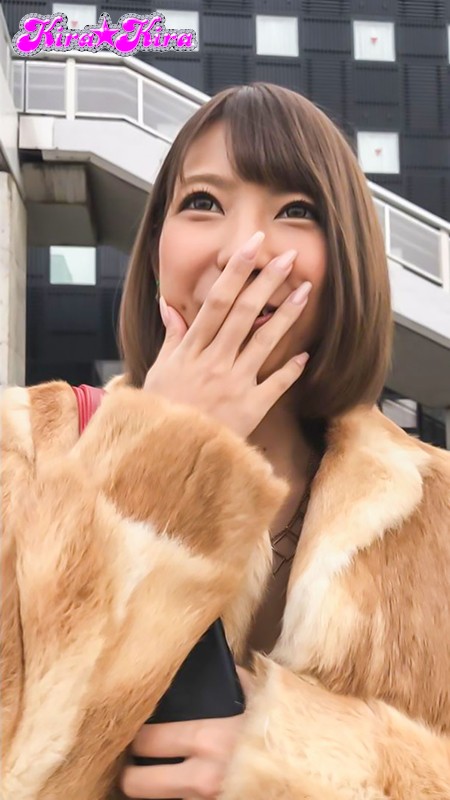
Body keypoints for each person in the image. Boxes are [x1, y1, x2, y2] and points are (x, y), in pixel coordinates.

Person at [2, 83, 449, 800]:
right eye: (203, 202)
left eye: (296, 211)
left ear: (348, 261)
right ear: (157, 251)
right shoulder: (25, 447)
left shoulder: (436, 506)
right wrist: (165, 452)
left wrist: (293, 763)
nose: (244, 248)